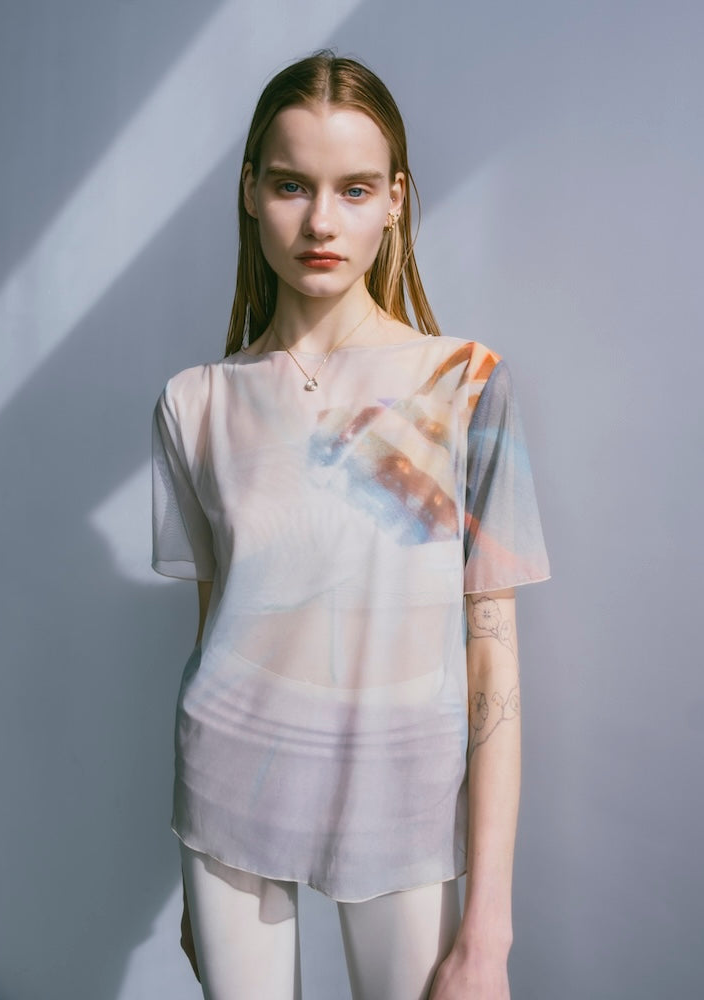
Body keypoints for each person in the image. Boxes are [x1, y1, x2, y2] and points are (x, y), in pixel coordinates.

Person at [151, 51, 550, 1000]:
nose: (322, 222)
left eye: (355, 189)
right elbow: (214, 629)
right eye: (292, 185)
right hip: (227, 795)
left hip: (403, 797)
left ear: (395, 201)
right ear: (250, 191)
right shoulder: (194, 403)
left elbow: (492, 663)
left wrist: (489, 930)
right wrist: (190, 875)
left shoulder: (463, 385)